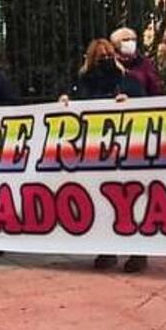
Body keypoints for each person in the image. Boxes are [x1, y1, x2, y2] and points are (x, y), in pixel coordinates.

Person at [62, 38, 146, 273]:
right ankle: (107, 249)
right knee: (101, 200)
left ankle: (138, 251)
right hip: (94, 152)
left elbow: (145, 105)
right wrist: (66, 101)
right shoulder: (81, 82)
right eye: (101, 58)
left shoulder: (127, 80)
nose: (107, 61)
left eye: (110, 55)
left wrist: (128, 102)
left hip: (125, 152)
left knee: (129, 200)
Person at [108, 27, 163, 96]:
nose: (130, 42)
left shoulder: (145, 63)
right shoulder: (110, 63)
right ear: (115, 44)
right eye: (126, 40)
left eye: (133, 40)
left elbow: (155, 88)